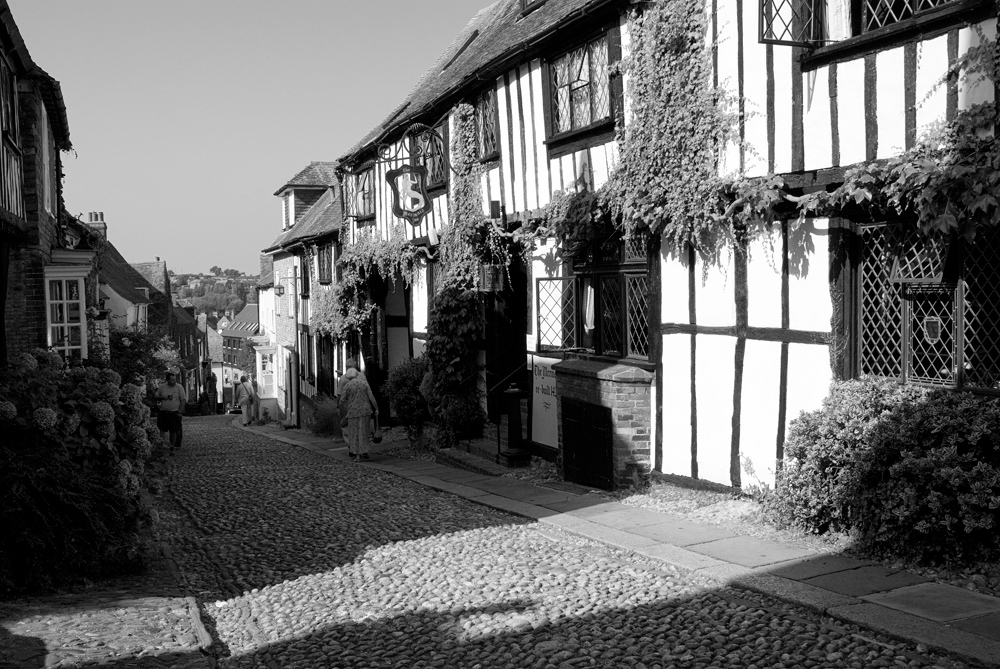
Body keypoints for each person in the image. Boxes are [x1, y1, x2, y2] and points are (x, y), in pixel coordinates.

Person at [339, 367, 378, 460]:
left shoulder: (347, 386)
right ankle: (364, 451)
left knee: (354, 433)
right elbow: (371, 397)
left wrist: (343, 410)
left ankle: (356, 454)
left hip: (352, 412)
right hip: (365, 411)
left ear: (348, 377)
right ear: (357, 374)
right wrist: (376, 408)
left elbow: (342, 400)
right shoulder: (364, 384)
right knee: (364, 432)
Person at [155, 371, 187, 453]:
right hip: (163, 412)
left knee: (173, 430)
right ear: (168, 380)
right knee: (162, 429)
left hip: (174, 412)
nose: (174, 381)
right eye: (172, 380)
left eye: (175, 380)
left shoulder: (179, 387)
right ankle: (162, 444)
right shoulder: (162, 387)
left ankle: (172, 445)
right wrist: (163, 397)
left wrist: (180, 412)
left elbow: (183, 400)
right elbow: (156, 396)